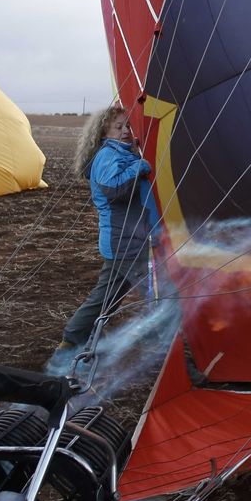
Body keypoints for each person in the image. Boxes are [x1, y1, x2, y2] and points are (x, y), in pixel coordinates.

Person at [46, 104, 170, 377]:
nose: (126, 131)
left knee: (105, 299)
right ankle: (162, 354)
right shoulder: (107, 156)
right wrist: (140, 165)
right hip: (125, 242)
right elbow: (114, 189)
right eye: (119, 127)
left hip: (129, 241)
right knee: (158, 298)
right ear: (104, 131)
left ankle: (69, 345)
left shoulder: (121, 153)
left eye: (128, 126)